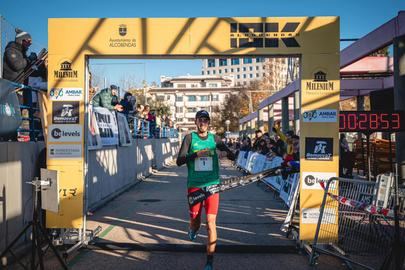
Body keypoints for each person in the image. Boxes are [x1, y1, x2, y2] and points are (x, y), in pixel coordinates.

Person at [176, 110, 235, 270]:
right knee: (196, 222)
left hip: (212, 184)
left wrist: (227, 154)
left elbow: (231, 155)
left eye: (206, 120)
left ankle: (209, 261)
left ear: (209, 123)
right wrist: (196, 154)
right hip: (194, 185)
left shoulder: (215, 139)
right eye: (200, 120)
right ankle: (193, 229)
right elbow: (179, 161)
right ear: (195, 122)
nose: (203, 123)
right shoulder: (189, 138)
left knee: (210, 223)